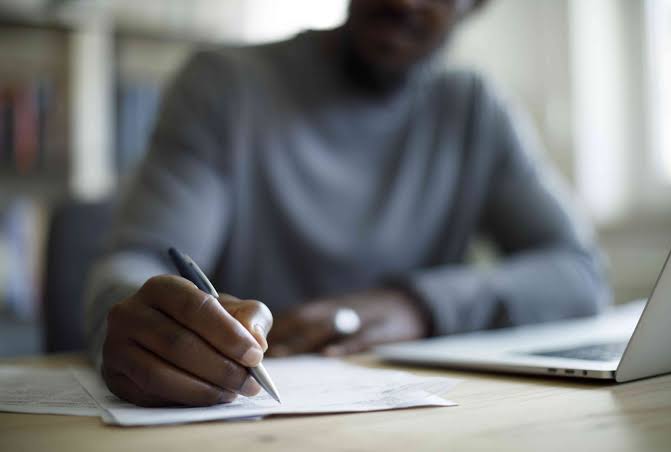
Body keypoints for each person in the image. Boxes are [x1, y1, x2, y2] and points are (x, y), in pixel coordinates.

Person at [85, 0, 610, 407]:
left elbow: (579, 271)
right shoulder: (225, 86)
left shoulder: (473, 109)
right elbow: (136, 263)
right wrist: (133, 320)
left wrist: (417, 305)